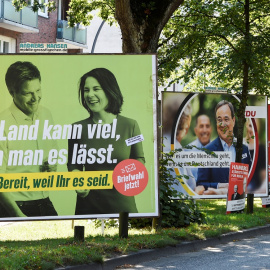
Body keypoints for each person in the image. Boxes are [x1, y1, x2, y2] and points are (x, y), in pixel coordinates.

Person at [67, 68, 145, 214]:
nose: (90, 95)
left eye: (96, 89)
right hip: (88, 206)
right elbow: (73, 164)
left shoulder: (131, 125)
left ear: (110, 90)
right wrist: (77, 181)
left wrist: (127, 177)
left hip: (123, 205)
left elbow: (139, 159)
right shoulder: (76, 128)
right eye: (86, 90)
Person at [0, 61, 58, 217]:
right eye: (28, 93)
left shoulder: (46, 114)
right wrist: (20, 218)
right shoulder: (2, 124)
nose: (35, 98)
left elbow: (52, 158)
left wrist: (52, 166)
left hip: (45, 201)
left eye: (38, 90)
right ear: (12, 93)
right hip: (14, 207)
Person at [196, 100, 251, 195]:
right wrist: (220, 186)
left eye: (226, 119)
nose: (223, 124)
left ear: (233, 121)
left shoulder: (244, 149)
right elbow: (201, 184)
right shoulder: (207, 151)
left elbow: (251, 180)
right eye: (219, 120)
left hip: (241, 204)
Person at [187, 115, 212, 180]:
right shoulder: (187, 151)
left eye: (207, 126)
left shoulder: (219, 151)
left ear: (211, 129)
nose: (205, 130)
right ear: (196, 130)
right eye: (201, 126)